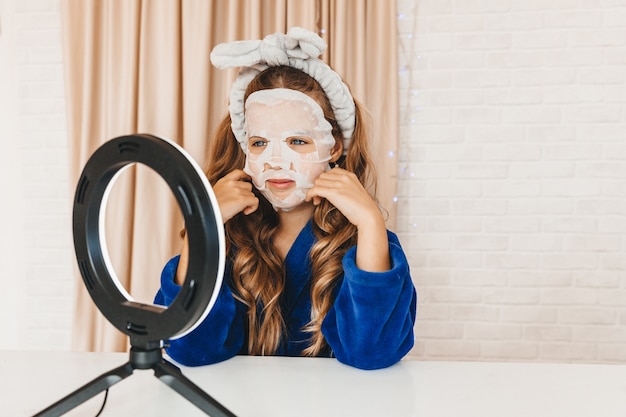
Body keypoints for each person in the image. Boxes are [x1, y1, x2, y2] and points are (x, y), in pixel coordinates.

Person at [154, 27, 416, 370]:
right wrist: (203, 225)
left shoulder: (368, 245)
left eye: (298, 141)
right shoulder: (228, 239)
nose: (276, 161)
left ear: (334, 147)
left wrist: (370, 222)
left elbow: (371, 354)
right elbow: (190, 349)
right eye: (260, 143)